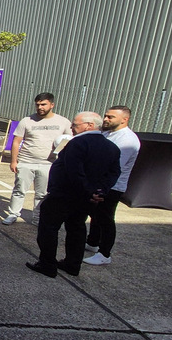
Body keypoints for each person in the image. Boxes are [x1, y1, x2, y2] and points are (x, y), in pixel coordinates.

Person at [25, 112, 120, 278]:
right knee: (77, 228)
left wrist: (89, 190)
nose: (71, 128)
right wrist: (99, 191)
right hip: (86, 198)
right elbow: (114, 173)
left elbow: (74, 171)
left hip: (64, 194)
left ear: (89, 125)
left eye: (75, 125)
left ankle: (47, 264)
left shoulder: (78, 143)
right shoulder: (111, 147)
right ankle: (72, 264)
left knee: (48, 228)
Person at [2, 93, 72, 226]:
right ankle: (13, 214)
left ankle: (38, 218)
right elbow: (16, 141)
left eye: (43, 104)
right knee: (19, 190)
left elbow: (70, 140)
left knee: (42, 194)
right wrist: (14, 161)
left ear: (52, 105)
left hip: (48, 163)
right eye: (38, 104)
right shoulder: (26, 121)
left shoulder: (63, 122)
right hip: (26, 161)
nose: (40, 107)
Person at [83, 106, 140, 266]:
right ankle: (93, 242)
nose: (106, 119)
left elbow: (113, 166)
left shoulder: (127, 140)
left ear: (124, 119)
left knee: (106, 219)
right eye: (106, 116)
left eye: (111, 117)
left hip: (112, 186)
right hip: (100, 182)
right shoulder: (107, 133)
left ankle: (105, 253)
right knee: (95, 215)